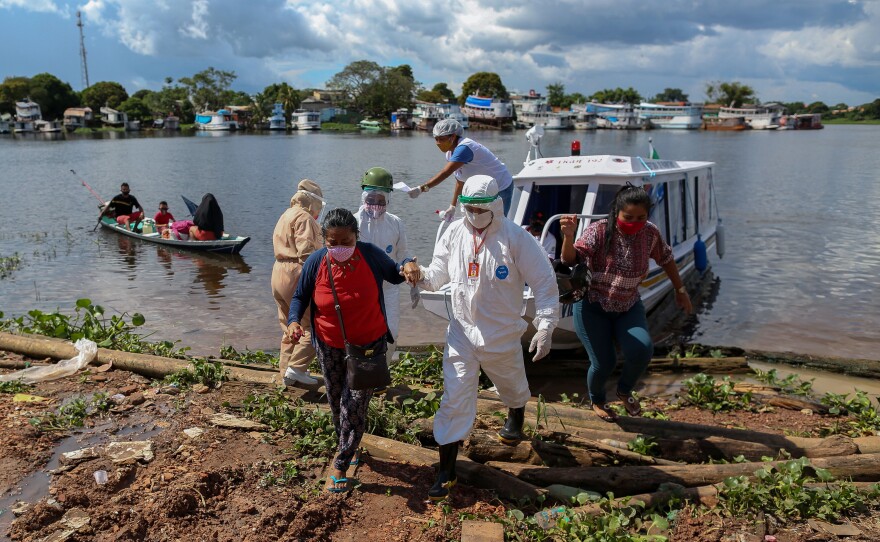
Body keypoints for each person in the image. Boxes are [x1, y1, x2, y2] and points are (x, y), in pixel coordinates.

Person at [402, 175, 558, 501]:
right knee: (454, 398)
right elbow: (438, 274)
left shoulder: (515, 239)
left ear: (496, 207)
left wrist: (545, 324)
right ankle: (446, 473)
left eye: (479, 209)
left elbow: (543, 282)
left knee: (512, 384)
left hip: (500, 333)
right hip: (461, 331)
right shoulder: (454, 233)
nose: (473, 215)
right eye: (468, 208)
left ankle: (516, 411)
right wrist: (419, 274)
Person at [285, 208, 410, 493]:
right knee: (335, 399)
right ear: (324, 240)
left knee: (353, 403)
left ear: (357, 235)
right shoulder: (317, 261)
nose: (340, 247)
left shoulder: (370, 254)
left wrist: (408, 265)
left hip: (368, 345)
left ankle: (341, 462)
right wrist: (293, 321)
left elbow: (395, 274)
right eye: (333, 242)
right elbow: (301, 296)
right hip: (328, 344)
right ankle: (346, 442)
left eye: (346, 241)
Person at [559, 184, 693, 422]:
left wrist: (680, 290)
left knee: (642, 349)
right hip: (592, 305)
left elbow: (667, 258)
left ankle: (624, 390)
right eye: (628, 217)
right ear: (616, 213)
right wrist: (568, 237)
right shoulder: (598, 231)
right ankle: (598, 400)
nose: (635, 222)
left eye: (641, 217)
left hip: (627, 305)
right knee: (604, 362)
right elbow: (570, 259)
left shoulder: (650, 233)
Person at [272, 179, 325, 386]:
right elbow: (306, 253)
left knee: (288, 324)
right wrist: (315, 280)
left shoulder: (285, 214)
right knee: (314, 323)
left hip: (278, 270)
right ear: (313, 202)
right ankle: (297, 368)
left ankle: (285, 372)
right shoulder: (304, 218)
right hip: (296, 271)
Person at [355, 167, 410, 366]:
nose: (375, 205)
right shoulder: (352, 223)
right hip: (359, 290)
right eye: (371, 200)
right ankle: (360, 373)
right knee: (360, 333)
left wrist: (411, 270)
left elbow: (403, 255)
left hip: (389, 289)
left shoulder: (396, 223)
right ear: (363, 198)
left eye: (380, 201)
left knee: (391, 333)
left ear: (388, 200)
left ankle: (381, 372)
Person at [407, 119, 515, 220]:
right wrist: (452, 206)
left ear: (453, 137)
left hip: (501, 186)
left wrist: (422, 189)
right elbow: (460, 181)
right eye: (436, 139)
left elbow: (445, 173)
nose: (438, 143)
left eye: (442, 139)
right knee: (480, 221)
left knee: (497, 223)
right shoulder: (450, 153)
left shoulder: (464, 148)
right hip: (485, 189)